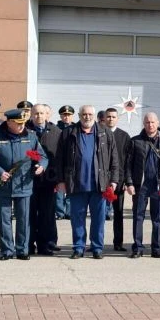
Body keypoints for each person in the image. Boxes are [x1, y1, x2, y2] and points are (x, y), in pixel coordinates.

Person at [54, 105, 122, 259]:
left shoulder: (105, 133)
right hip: (76, 184)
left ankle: (97, 247)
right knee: (77, 218)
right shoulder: (68, 133)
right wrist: (61, 180)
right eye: (84, 114)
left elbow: (114, 159)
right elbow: (59, 159)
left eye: (90, 114)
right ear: (79, 115)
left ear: (95, 115)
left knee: (99, 219)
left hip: (99, 185)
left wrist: (114, 180)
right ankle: (78, 248)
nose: (87, 117)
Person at [0, 109, 47, 260]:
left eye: (22, 123)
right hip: (3, 184)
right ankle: (7, 251)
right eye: (18, 123)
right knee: (3, 220)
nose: (21, 126)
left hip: (23, 184)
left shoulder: (30, 137)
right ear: (9, 122)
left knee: (23, 219)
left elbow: (41, 156)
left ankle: (22, 250)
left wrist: (41, 165)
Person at [125, 112, 160, 258]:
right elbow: (128, 165)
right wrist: (129, 183)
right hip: (140, 185)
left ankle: (156, 248)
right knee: (138, 217)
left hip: (159, 186)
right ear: (144, 124)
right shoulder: (135, 141)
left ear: (158, 123)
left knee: (157, 218)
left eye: (153, 122)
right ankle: (138, 248)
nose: (150, 125)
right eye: (147, 122)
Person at [27, 104, 62, 255]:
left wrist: (60, 179)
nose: (39, 116)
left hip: (49, 181)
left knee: (47, 214)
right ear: (31, 114)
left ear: (47, 114)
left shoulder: (56, 132)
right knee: (29, 214)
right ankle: (28, 244)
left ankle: (46, 244)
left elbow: (60, 157)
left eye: (42, 113)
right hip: (28, 180)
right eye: (36, 113)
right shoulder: (25, 130)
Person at [102, 108, 132, 250]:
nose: (111, 119)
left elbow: (128, 161)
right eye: (108, 116)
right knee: (98, 213)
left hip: (118, 181)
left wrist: (126, 180)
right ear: (104, 118)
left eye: (113, 117)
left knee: (118, 213)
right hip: (101, 180)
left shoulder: (124, 136)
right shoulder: (98, 133)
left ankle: (118, 243)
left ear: (117, 118)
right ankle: (97, 243)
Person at [53, 104, 76, 220]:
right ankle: (59, 212)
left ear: (72, 116)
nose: (66, 117)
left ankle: (69, 211)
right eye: (64, 115)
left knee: (71, 187)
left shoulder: (76, 128)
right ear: (61, 116)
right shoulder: (56, 129)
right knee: (59, 187)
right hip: (59, 161)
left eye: (68, 115)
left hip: (71, 161)